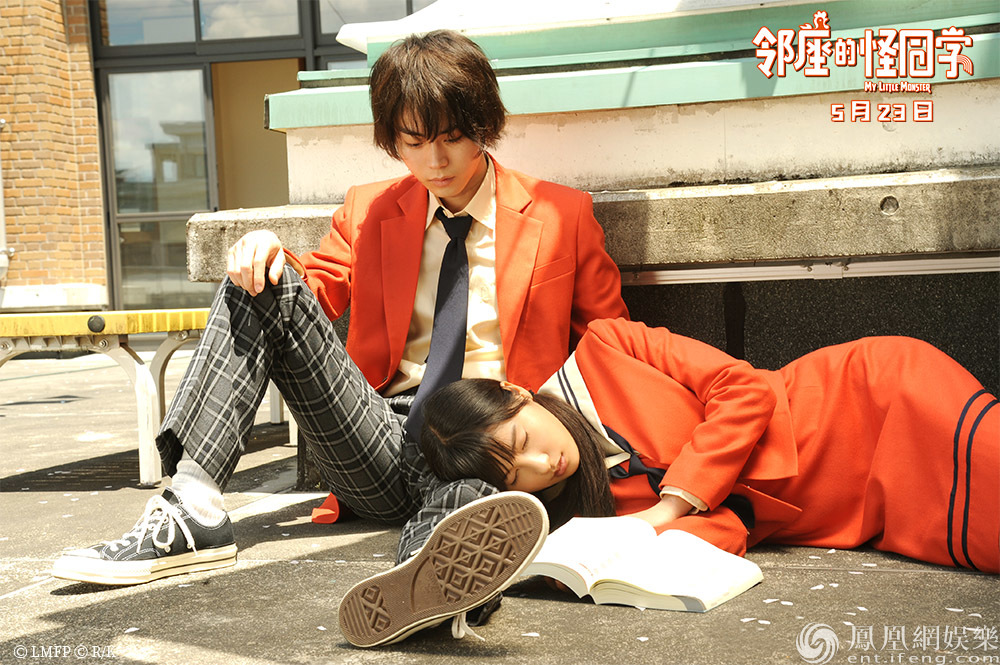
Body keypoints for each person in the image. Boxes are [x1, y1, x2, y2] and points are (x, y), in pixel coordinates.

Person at [51, 29, 627, 642]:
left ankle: (426, 578)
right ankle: (192, 506)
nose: (435, 162)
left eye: (452, 138)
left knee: (472, 494)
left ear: (483, 124)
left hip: (494, 441)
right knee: (259, 280)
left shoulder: (560, 214)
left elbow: (613, 349)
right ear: (392, 141)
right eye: (414, 143)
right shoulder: (371, 209)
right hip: (381, 437)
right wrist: (266, 252)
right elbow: (313, 290)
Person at [420, 318, 999, 574]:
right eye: (517, 475)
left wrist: (667, 508)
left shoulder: (607, 347)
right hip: (853, 510)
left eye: (523, 439)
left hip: (865, 401)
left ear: (516, 393)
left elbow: (743, 387)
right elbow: (730, 529)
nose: (544, 463)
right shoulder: (588, 510)